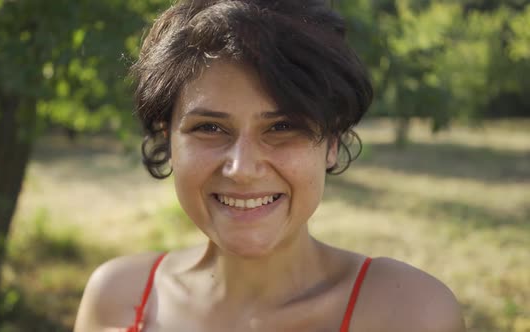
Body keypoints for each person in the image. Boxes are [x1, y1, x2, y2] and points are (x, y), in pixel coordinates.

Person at [74, 0, 465, 331]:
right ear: (167, 140)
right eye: (210, 127)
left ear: (332, 142)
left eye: (282, 127)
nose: (242, 168)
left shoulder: (409, 313)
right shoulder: (116, 299)